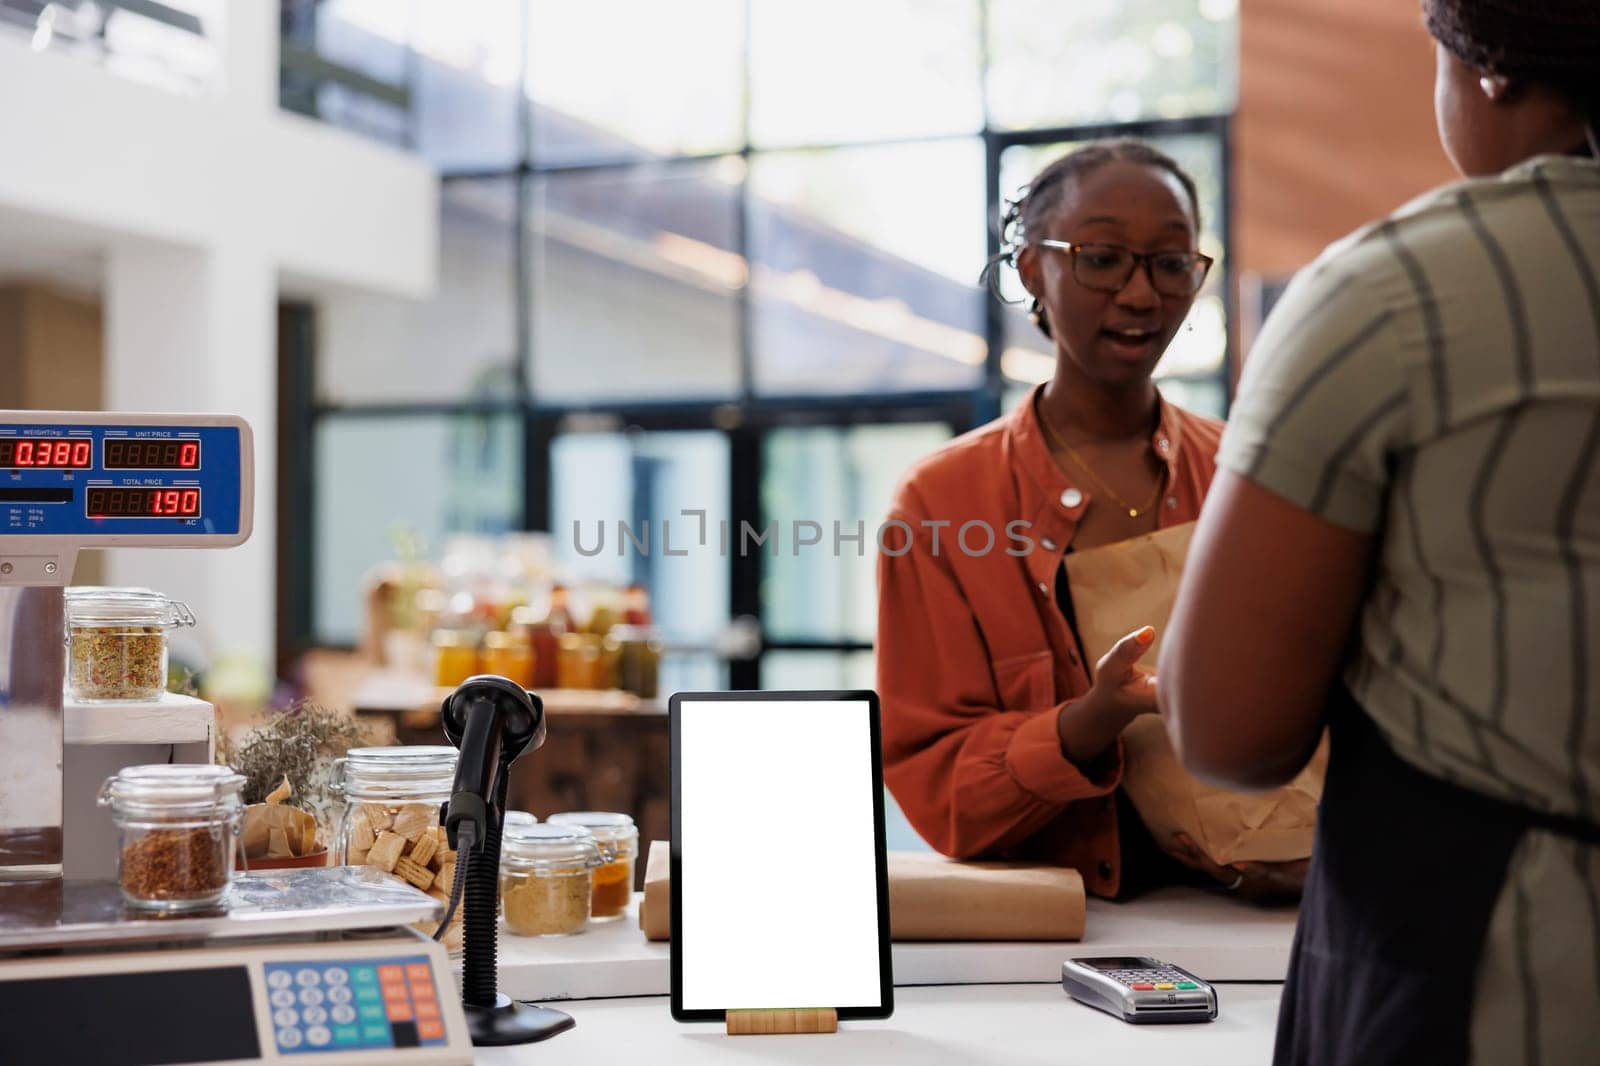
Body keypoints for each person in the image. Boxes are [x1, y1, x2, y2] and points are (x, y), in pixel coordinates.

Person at [1160, 2, 1600, 1062]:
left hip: (1501, 974)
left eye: (1170, 260)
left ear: (1487, 66)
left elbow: (1226, 732)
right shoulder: (956, 489)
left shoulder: (1398, 294)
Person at [876, 139, 1304, 903]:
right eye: (1102, 258)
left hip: (1259, 919)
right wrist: (1086, 722)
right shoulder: (944, 504)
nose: (1141, 295)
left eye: (1171, 262)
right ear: (1031, 268)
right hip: (1049, 933)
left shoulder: (1251, 473)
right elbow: (938, 792)